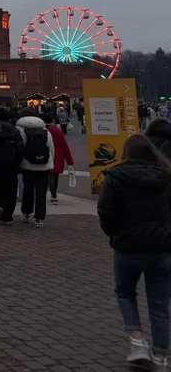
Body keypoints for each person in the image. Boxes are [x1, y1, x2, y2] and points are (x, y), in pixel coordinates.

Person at [98, 135, 171, 371]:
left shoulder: (115, 177)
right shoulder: (166, 177)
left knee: (126, 293)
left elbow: (106, 212)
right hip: (161, 248)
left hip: (128, 246)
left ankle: (137, 341)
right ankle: (161, 355)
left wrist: (115, 235)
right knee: (159, 303)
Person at [18, 115, 54, 227]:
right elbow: (51, 149)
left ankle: (26, 213)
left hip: (28, 165)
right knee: (41, 193)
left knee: (28, 190)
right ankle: (39, 218)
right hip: (44, 166)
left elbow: (21, 148)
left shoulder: (23, 132)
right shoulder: (46, 132)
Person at [43, 112, 74, 204]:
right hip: (58, 155)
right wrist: (70, 161)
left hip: (47, 153)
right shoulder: (58, 132)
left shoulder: (42, 131)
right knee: (55, 176)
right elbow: (65, 146)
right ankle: (54, 195)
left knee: (47, 175)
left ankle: (49, 194)